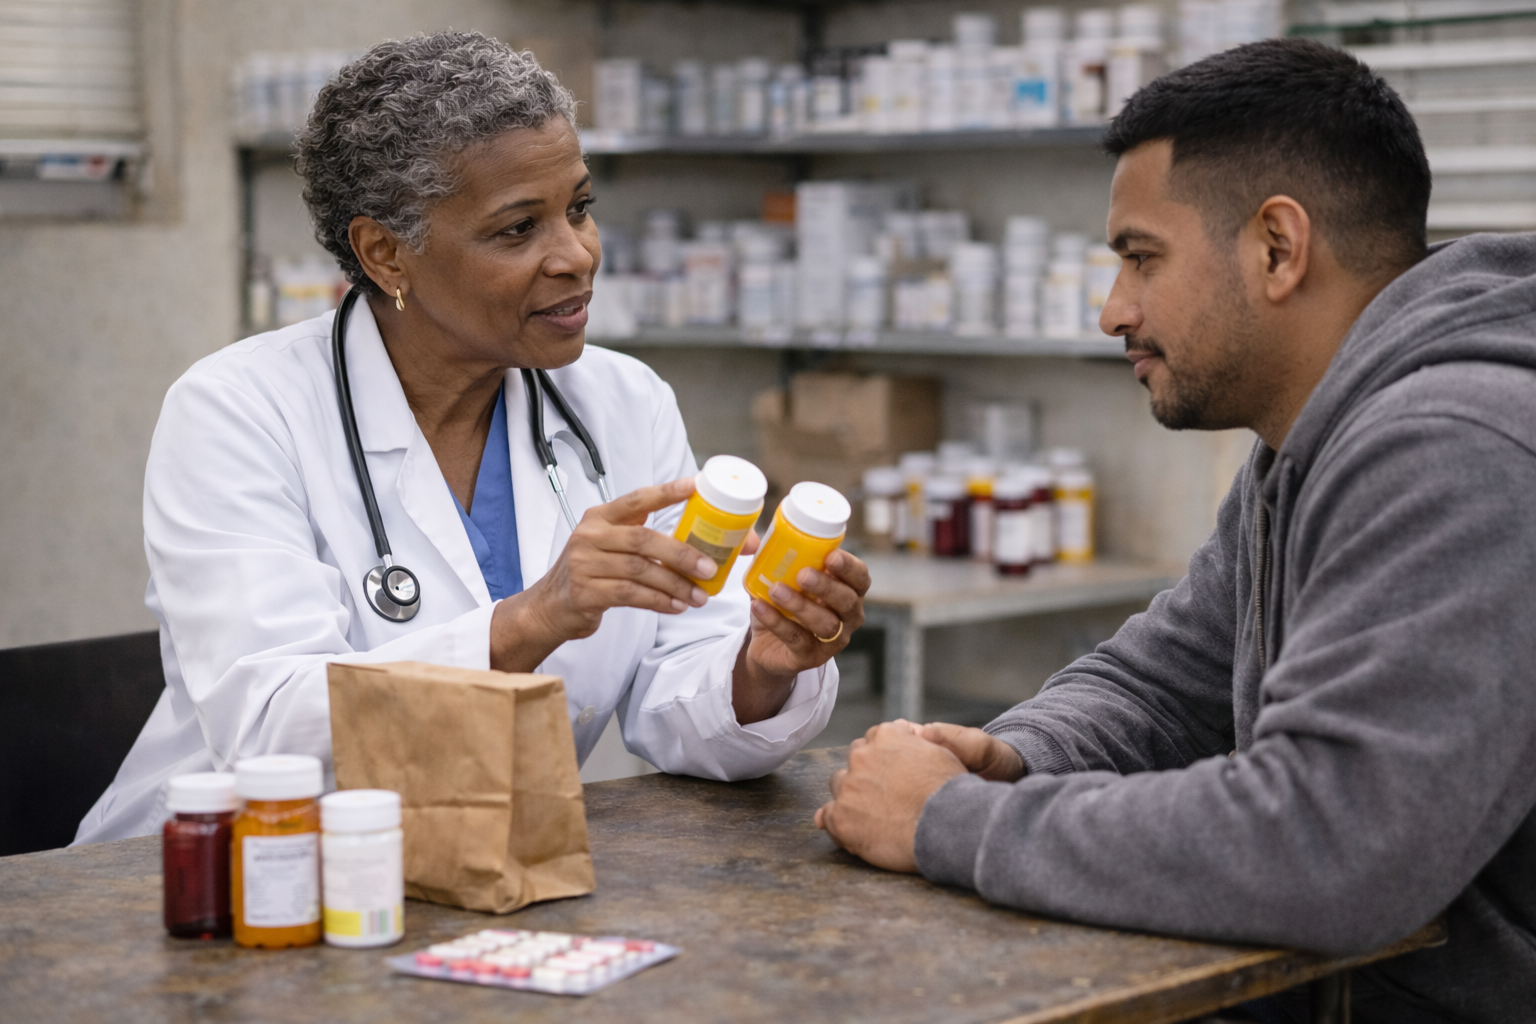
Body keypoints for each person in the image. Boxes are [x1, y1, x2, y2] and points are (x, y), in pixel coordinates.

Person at [814, 38, 1536, 1024]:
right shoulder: (1315, 440)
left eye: (1140, 258)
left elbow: (1333, 844)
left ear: (1277, 247)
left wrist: (951, 819)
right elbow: (1165, 682)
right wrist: (1014, 754)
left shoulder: (1453, 446)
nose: (1114, 309)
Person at [77, 32, 868, 844]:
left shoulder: (622, 402)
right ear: (385, 253)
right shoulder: (239, 410)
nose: (577, 256)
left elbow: (677, 702)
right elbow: (272, 726)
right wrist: (530, 621)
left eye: (580, 208)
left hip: (478, 867)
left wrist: (759, 670)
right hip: (222, 877)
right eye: (518, 229)